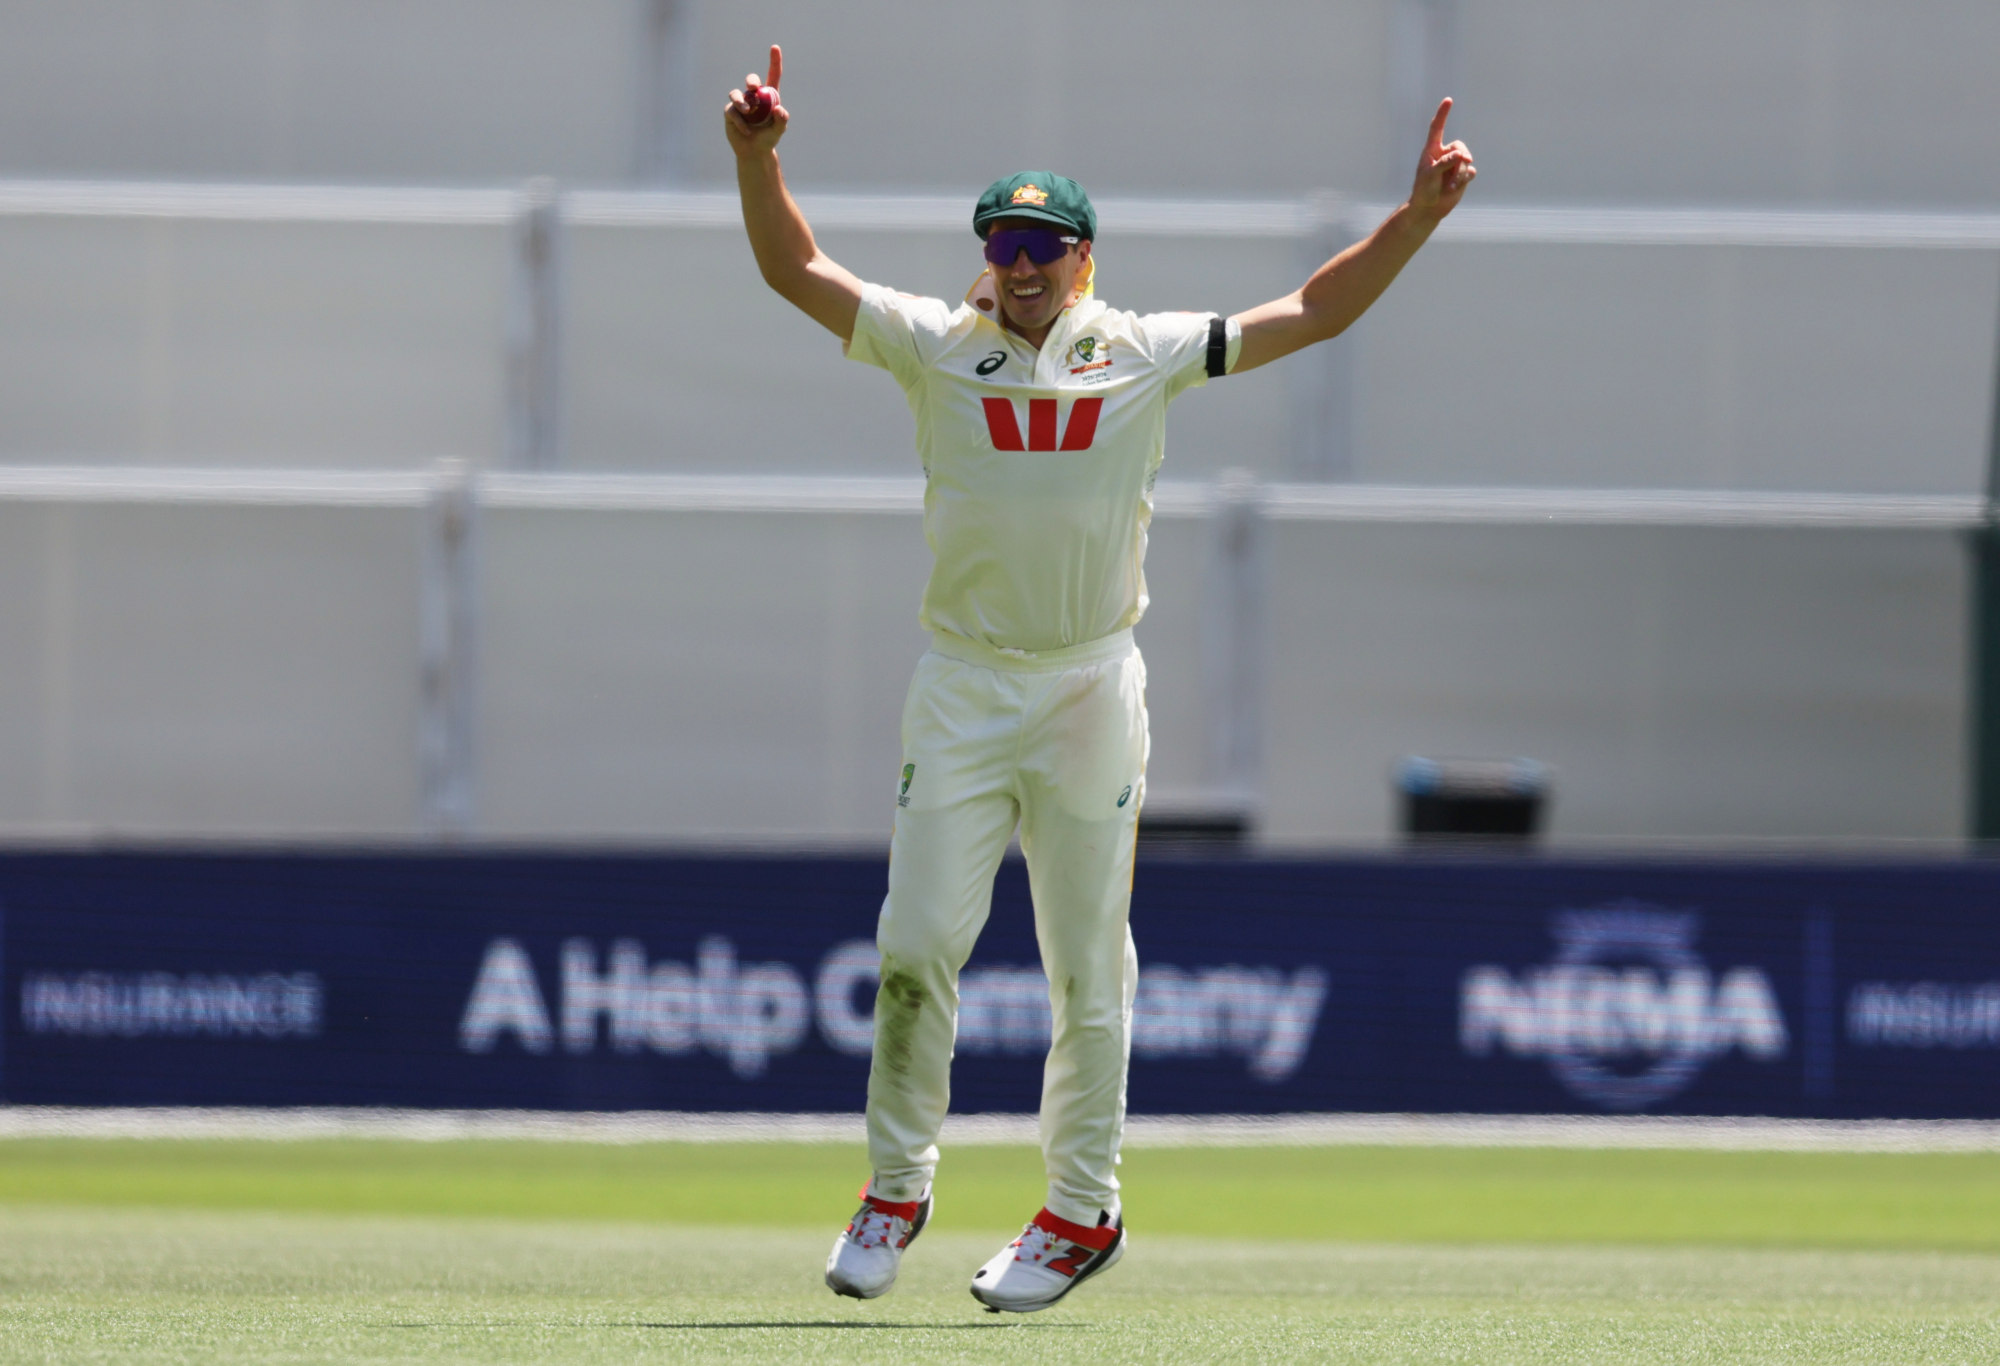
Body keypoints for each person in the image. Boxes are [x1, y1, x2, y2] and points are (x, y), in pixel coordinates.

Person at [724, 44, 1475, 1314]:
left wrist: (1412, 222)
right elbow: (793, 269)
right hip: (962, 685)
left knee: (1086, 965)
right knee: (913, 947)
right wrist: (758, 162)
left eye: (1043, 246)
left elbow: (1314, 312)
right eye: (1002, 243)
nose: (1019, 266)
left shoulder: (1139, 349)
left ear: (1083, 258)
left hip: (1086, 688)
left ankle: (1080, 1210)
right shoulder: (933, 343)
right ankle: (895, 1187)